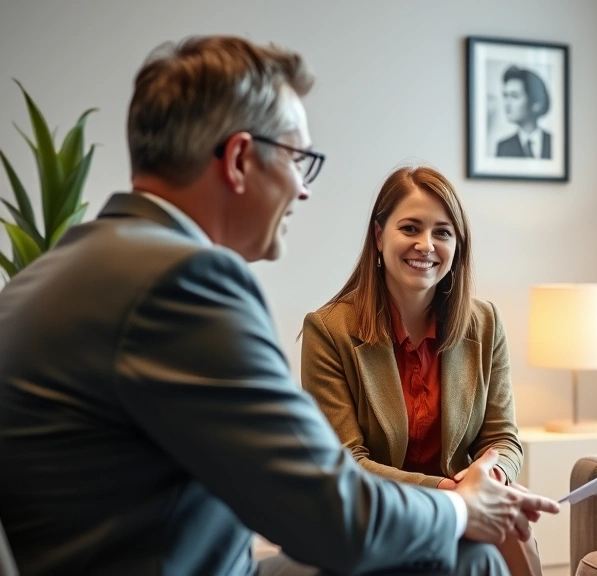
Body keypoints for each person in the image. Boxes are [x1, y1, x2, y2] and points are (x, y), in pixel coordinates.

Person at [0, 35, 558, 576]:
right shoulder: (185, 281)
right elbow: (333, 512)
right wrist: (463, 506)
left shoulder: (43, 276)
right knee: (468, 552)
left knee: (466, 555)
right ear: (240, 158)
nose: (303, 188)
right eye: (298, 159)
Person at [301, 165, 542, 576]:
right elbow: (346, 461)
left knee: (511, 527)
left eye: (442, 232)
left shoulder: (485, 324)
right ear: (379, 237)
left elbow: (503, 437)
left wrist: (491, 475)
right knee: (496, 532)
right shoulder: (328, 330)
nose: (425, 245)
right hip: (376, 513)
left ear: (457, 245)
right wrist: (452, 492)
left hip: (467, 510)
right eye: (410, 228)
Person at [495, 66, 551, 159]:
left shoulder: (554, 142)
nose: (507, 104)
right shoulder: (503, 147)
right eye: (505, 96)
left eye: (514, 96)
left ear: (535, 102)